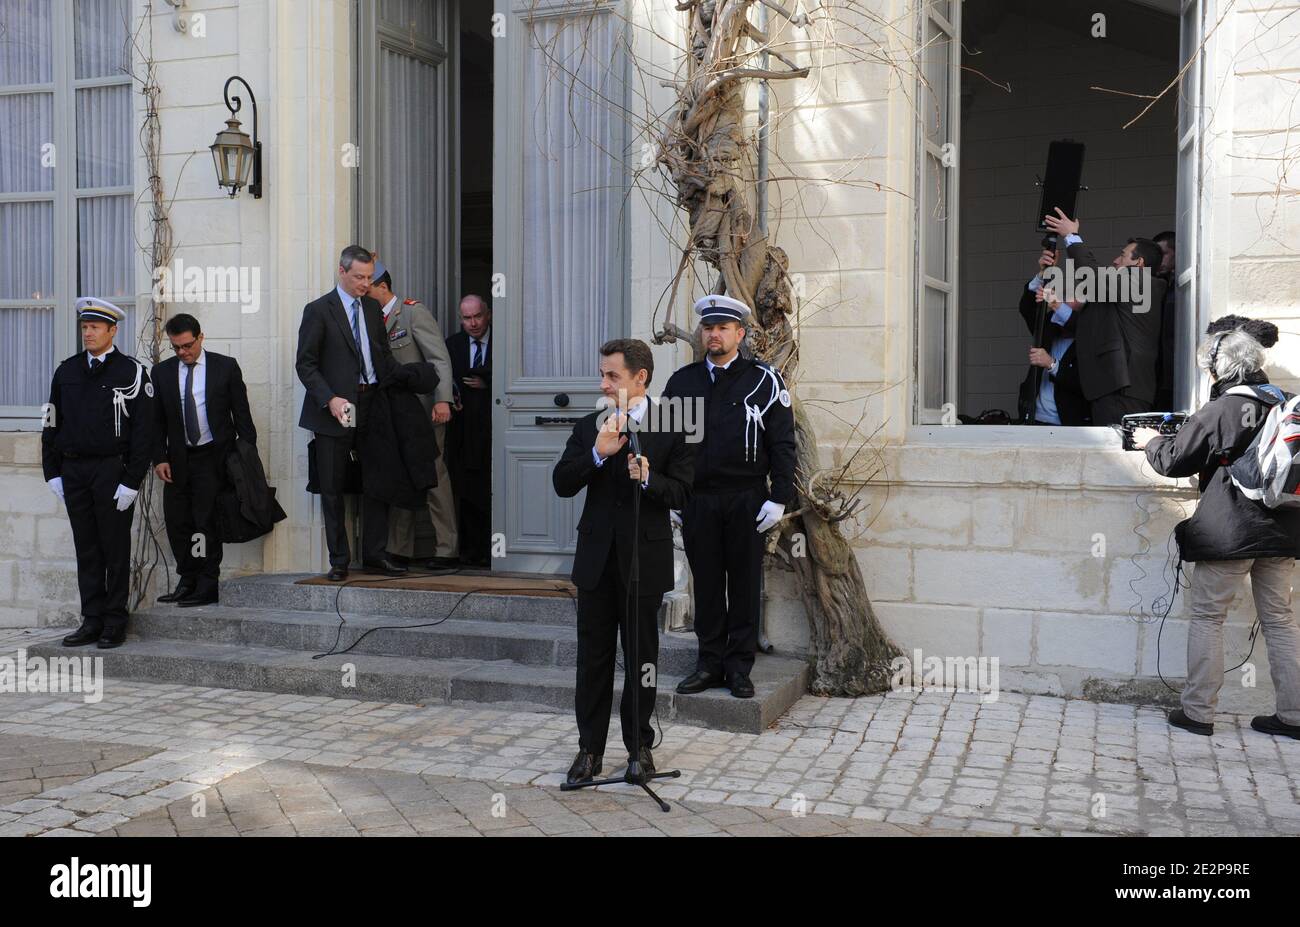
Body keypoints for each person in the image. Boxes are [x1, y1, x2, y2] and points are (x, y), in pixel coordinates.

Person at [1133, 326, 1300, 740]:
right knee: (1280, 620)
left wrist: (1150, 441)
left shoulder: (1225, 407)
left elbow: (1175, 460)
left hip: (1230, 530)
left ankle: (1198, 713)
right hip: (1283, 529)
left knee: (1209, 617)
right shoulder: (1282, 401)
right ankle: (1294, 716)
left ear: (1218, 368)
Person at [553, 339, 693, 784]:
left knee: (642, 660)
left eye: (612, 376)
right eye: (603, 374)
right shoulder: (590, 426)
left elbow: (685, 493)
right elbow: (561, 482)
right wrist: (597, 454)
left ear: (641, 378)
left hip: (643, 562)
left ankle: (639, 749)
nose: (603, 383)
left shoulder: (673, 427)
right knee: (592, 660)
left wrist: (650, 478)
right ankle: (589, 752)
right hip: (596, 562)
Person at [662, 295, 797, 699]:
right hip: (698, 499)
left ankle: (739, 668)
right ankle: (708, 664)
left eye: (722, 328)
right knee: (705, 584)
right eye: (708, 327)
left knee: (743, 584)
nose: (713, 334)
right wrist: (672, 496)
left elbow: (783, 444)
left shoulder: (764, 379)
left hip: (747, 499)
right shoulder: (682, 381)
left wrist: (780, 498)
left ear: (740, 333)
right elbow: (667, 442)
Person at [42, 298, 153, 649]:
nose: (88, 333)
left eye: (95, 327)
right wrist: (52, 471)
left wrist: (132, 481)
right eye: (84, 327)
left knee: (115, 548)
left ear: (112, 330)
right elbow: (50, 421)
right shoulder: (67, 371)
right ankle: (91, 619)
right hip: (74, 470)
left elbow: (144, 432)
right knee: (86, 548)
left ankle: (114, 620)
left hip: (112, 470)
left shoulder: (131, 372)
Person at [295, 244, 405, 581]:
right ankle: (339, 560)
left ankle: (374, 553)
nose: (364, 283)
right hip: (337, 408)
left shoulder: (373, 309)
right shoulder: (318, 310)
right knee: (333, 485)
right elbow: (306, 364)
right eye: (358, 277)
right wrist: (329, 400)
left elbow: (383, 357)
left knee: (378, 479)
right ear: (341, 272)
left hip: (372, 402)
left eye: (369, 277)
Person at [151, 313, 257, 606]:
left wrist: (242, 459)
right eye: (177, 347)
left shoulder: (225, 367)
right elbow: (156, 421)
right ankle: (187, 578)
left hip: (213, 458)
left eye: (187, 345)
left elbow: (243, 419)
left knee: (205, 523)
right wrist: (159, 457)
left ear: (200, 337)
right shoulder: (161, 373)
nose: (183, 352)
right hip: (178, 460)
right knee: (178, 522)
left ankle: (207, 582)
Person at [368, 262, 459, 568]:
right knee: (400, 477)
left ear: (382, 286)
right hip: (393, 415)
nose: (362, 294)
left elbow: (439, 359)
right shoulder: (369, 319)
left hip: (423, 412)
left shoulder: (411, 312)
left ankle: (447, 548)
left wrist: (443, 399)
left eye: (367, 287)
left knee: (433, 475)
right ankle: (399, 548)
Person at [1043, 209, 1167, 425]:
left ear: (1139, 264)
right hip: (1114, 389)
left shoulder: (1142, 282)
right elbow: (1087, 324)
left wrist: (1071, 236)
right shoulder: (1125, 290)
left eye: (1123, 255)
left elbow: (1091, 277)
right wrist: (1054, 300)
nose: (1116, 260)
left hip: (1123, 390)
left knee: (1117, 454)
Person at [445, 294, 492, 566]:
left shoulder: (504, 341)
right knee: (466, 491)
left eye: (477, 316)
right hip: (463, 432)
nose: (473, 323)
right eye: (467, 318)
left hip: (493, 431)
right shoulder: (453, 345)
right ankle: (470, 552)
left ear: (488, 315)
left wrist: (490, 385)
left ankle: (493, 551)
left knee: (491, 492)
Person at [1018, 245, 1089, 426]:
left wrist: (1051, 364)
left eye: (1072, 297)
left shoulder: (1091, 336)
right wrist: (1042, 274)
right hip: (1036, 418)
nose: (1063, 300)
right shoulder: (1049, 327)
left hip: (1068, 423)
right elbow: (1027, 308)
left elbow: (1086, 384)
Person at [1152, 230, 1177, 411]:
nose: (1159, 260)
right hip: (1159, 375)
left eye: (1164, 254)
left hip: (1175, 375)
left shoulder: (1181, 289)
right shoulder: (1159, 286)